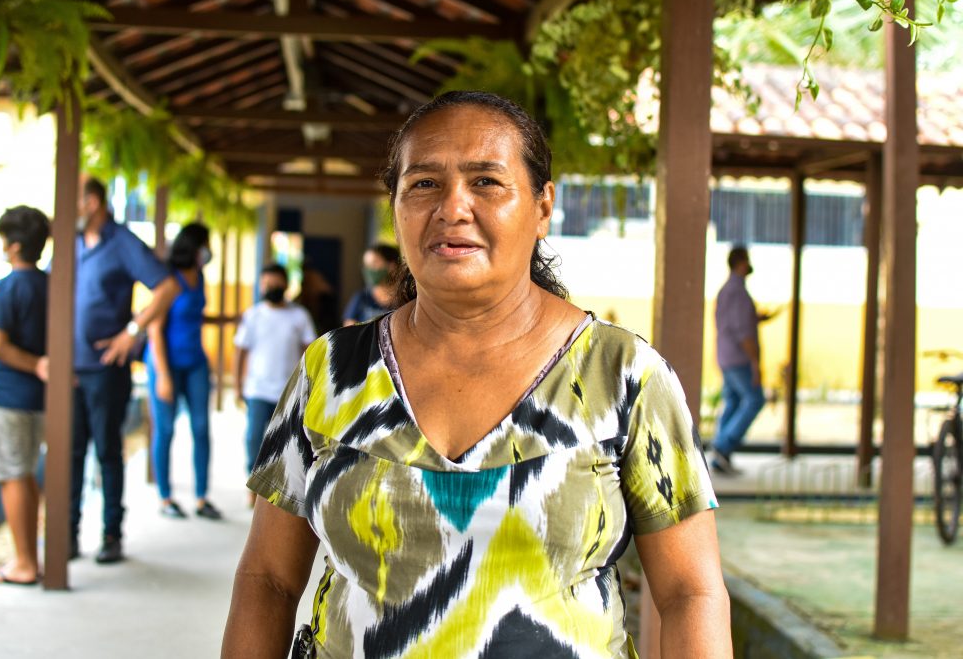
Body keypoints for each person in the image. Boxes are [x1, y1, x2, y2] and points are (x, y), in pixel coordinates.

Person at [223, 91, 730, 657]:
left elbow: (691, 592)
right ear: (395, 206)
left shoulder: (624, 376)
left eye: (486, 181)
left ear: (543, 208)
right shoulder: (331, 371)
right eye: (423, 184)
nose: (452, 207)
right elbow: (267, 579)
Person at [71, 177, 180, 564]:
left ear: (93, 202)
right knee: (69, 452)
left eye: (74, 197)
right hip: (69, 369)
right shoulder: (71, 244)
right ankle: (67, 537)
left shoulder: (122, 242)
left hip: (105, 367)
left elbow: (166, 287)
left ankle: (111, 535)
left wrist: (130, 333)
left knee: (106, 451)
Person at [0, 206, 50, 585]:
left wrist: (36, 363)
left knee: (13, 476)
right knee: (24, 475)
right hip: (40, 400)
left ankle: (25, 563)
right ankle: (26, 557)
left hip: (8, 396)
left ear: (14, 246)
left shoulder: (5, 288)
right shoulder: (52, 284)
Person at [144, 222, 221, 520]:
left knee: (201, 428)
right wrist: (162, 375)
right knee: (165, 429)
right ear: (193, 245)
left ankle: (202, 498)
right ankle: (166, 498)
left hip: (195, 362)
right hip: (166, 363)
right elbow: (154, 329)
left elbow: (193, 316)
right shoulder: (169, 279)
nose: (207, 251)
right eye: (205, 244)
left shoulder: (199, 276)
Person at [233, 264, 316, 505]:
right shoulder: (253, 315)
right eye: (266, 283)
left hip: (288, 392)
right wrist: (238, 386)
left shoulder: (299, 316)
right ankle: (254, 486)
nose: (271, 288)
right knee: (254, 439)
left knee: (285, 443)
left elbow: (310, 351)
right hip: (257, 390)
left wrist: (310, 387)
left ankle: (278, 491)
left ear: (286, 284)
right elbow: (240, 351)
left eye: (276, 283)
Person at [710, 246, 775, 475]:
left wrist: (756, 318)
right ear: (740, 263)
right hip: (739, 358)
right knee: (754, 399)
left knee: (734, 401)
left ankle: (720, 453)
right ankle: (723, 445)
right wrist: (756, 363)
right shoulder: (737, 292)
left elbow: (735, 321)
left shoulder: (727, 290)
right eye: (747, 260)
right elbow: (742, 333)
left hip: (726, 356)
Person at [342, 243, 399, 325]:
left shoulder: (405, 300)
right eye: (366, 265)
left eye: (374, 263)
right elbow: (348, 331)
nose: (368, 269)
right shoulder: (361, 298)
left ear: (392, 266)